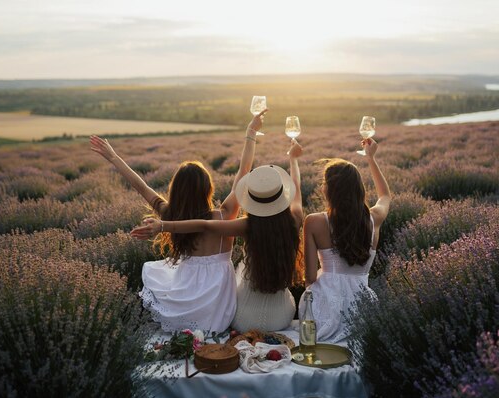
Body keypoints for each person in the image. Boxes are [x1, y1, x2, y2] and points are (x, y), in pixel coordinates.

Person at [89, 110, 267, 333]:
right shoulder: (223, 216)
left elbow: (142, 187)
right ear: (207, 189)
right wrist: (251, 132)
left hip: (184, 297)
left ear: (176, 190)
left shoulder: (170, 214)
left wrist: (114, 157)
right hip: (218, 310)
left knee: (156, 274)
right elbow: (243, 173)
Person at [133, 140, 304, 332]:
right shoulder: (295, 219)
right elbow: (295, 187)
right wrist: (293, 159)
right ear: (284, 196)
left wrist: (164, 226)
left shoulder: (247, 225)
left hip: (243, 320)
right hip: (282, 316)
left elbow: (204, 225)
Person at [299, 137, 391, 343]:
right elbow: (385, 196)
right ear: (358, 188)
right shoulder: (374, 219)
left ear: (330, 190)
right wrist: (371, 158)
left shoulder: (313, 222)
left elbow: (311, 278)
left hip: (324, 308)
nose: (322, 187)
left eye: (324, 183)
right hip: (362, 307)